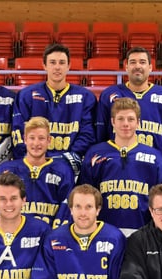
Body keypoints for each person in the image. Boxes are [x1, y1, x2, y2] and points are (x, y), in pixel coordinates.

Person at [81, 97, 162, 236]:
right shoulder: (95, 154)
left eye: (131, 119)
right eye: (120, 119)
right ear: (112, 122)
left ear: (138, 123)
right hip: (102, 234)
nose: (125, 124)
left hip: (143, 236)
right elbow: (84, 196)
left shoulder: (156, 158)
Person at [12, 43, 97, 178]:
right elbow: (18, 134)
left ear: (69, 66)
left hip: (70, 167)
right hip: (34, 165)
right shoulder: (26, 95)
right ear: (44, 66)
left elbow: (88, 135)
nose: (57, 67)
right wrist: (39, 160)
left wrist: (65, 160)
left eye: (62, 63)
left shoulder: (85, 97)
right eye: (52, 62)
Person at [96, 46, 162, 170]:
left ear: (150, 67)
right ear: (126, 67)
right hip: (116, 167)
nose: (137, 66)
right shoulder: (109, 95)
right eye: (133, 62)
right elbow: (101, 135)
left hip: (155, 168)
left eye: (142, 62)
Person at [0, 116, 76, 228]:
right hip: (15, 236)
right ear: (25, 139)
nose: (36, 143)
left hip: (49, 236)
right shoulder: (6, 170)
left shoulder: (63, 171)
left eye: (41, 138)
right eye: (32, 138)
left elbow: (67, 208)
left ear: (49, 140)